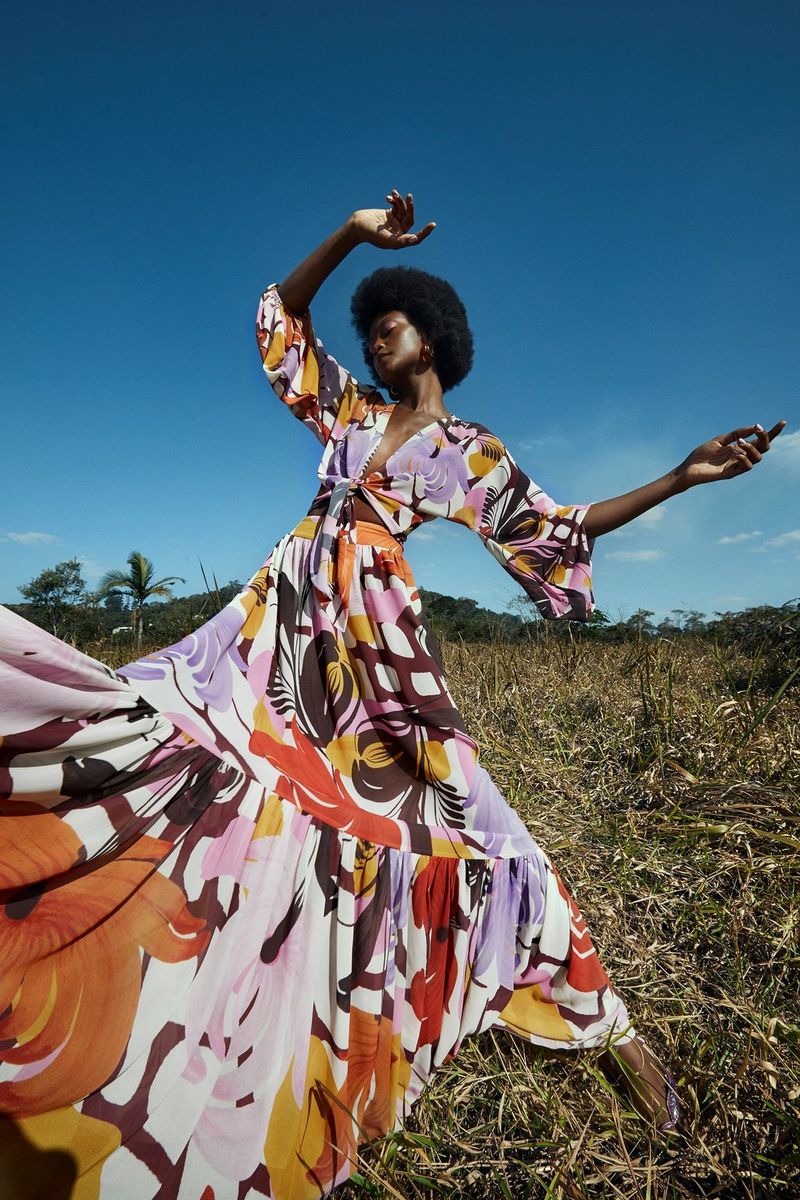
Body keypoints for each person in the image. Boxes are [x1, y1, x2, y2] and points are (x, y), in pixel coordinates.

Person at [0, 189, 784, 1200]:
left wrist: (679, 477)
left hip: (376, 638)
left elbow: (557, 528)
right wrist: (349, 235)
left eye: (392, 324)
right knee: (174, 738)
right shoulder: (349, 413)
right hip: (281, 623)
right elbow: (281, 323)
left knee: (474, 820)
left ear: (434, 338)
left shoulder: (470, 454)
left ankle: (603, 1023)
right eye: (370, 329)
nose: (375, 340)